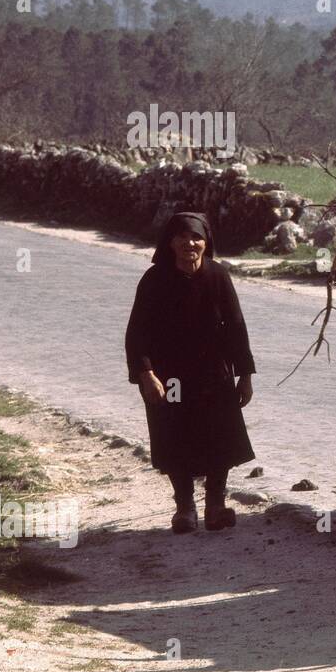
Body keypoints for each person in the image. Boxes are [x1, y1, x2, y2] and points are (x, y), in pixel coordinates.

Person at [125, 211, 257, 533]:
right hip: (170, 376)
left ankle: (215, 505)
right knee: (173, 435)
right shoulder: (154, 281)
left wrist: (245, 375)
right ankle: (184, 507)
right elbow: (136, 332)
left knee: (220, 436)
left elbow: (236, 327)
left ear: (206, 242)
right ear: (170, 243)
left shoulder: (218, 276)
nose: (190, 244)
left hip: (213, 373)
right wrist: (146, 374)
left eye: (197, 237)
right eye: (183, 237)